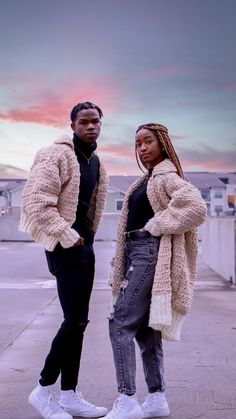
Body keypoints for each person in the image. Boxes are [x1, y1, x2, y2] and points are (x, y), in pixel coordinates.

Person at [105, 123, 207, 419]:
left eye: (148, 141)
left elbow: (195, 207)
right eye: (138, 143)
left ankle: (126, 400)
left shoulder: (165, 176)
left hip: (148, 253)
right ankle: (157, 398)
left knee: (120, 322)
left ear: (162, 143)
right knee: (147, 331)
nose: (142, 148)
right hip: (138, 251)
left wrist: (156, 225)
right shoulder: (145, 180)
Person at [19, 102, 109, 419]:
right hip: (64, 247)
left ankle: (69, 394)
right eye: (83, 122)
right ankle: (43, 390)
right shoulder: (55, 154)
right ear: (72, 124)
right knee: (73, 322)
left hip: (85, 248)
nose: (90, 127)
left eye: (95, 121)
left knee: (80, 323)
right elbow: (35, 203)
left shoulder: (96, 161)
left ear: (101, 123)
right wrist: (67, 234)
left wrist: (86, 240)